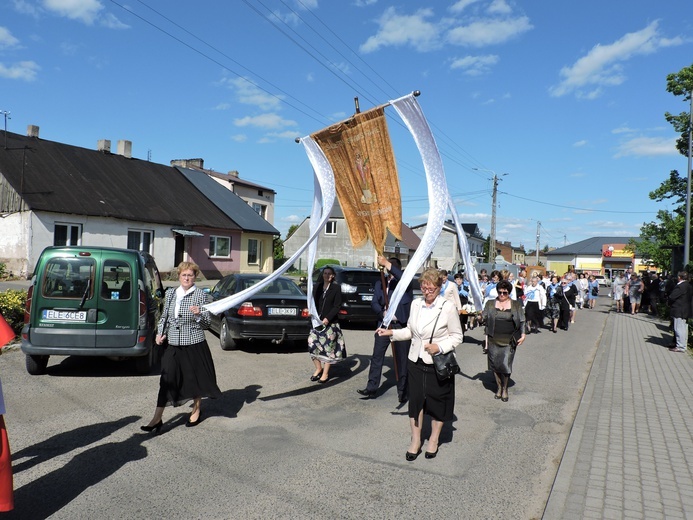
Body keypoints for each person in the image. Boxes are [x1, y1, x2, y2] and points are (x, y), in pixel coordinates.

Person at [376, 268, 463, 461]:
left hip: (438, 364)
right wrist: (391, 333)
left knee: (438, 403)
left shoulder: (447, 307)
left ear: (439, 287)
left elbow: (458, 336)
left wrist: (439, 347)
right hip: (415, 361)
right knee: (415, 403)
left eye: (431, 286)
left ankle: (433, 439)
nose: (427, 289)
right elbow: (410, 331)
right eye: (424, 285)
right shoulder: (416, 304)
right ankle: (415, 441)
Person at [142, 262, 221, 433]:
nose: (187, 278)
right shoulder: (170, 294)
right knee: (166, 379)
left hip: (194, 343)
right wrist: (159, 334)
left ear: (195, 277)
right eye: (184, 275)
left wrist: (199, 314)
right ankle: (156, 418)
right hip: (173, 344)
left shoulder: (200, 295)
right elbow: (164, 317)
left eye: (190, 275)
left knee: (194, 379)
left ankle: (196, 410)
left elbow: (207, 323)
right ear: (179, 276)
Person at [358, 256, 412, 402]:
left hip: (400, 326)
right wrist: (381, 312)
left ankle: (403, 391)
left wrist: (387, 264)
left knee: (402, 360)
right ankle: (371, 388)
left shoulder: (404, 283)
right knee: (376, 357)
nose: (390, 271)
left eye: (392, 267)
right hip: (383, 325)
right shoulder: (379, 283)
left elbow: (403, 277)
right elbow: (374, 302)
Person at [482, 280, 526, 402]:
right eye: (500, 292)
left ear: (509, 293)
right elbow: (484, 317)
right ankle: (499, 387)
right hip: (493, 338)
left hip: (509, 340)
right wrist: (478, 316)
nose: (501, 295)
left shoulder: (516, 305)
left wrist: (523, 334)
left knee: (505, 365)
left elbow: (522, 320)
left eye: (505, 293)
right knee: (495, 365)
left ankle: (505, 389)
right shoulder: (490, 303)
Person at [308, 266, 345, 383]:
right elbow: (312, 301)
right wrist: (311, 312)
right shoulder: (317, 286)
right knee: (312, 344)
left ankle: (325, 373)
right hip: (317, 323)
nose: (327, 275)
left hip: (330, 324)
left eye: (329, 273)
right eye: (325, 273)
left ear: (333, 276)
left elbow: (337, 306)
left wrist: (328, 318)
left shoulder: (336, 288)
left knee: (329, 349)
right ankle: (318, 368)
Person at [667, 271, 692, 353]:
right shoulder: (689, 285)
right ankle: (683, 344)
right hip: (686, 310)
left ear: (679, 277)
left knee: (679, 328)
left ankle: (680, 346)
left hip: (679, 310)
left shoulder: (680, 286)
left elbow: (672, 297)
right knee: (684, 328)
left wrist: (669, 302)